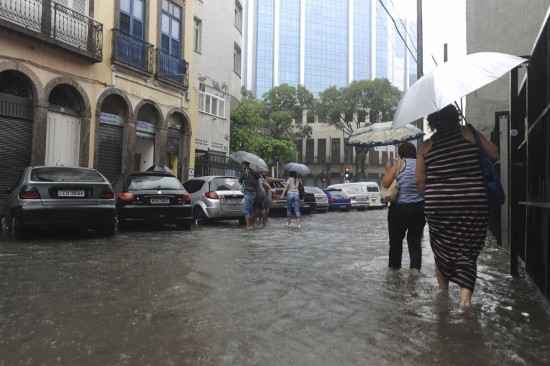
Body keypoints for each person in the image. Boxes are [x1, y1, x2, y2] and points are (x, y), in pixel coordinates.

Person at [416, 104, 498, 307]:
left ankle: (442, 294)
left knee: (441, 247)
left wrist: (435, 195)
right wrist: (474, 132)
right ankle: (465, 301)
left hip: (438, 205)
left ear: (432, 122)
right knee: (467, 251)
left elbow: (419, 183)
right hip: (472, 202)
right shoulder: (469, 134)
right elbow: (494, 154)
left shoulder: (426, 147)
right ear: (455, 117)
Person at [382, 142, 425, 272]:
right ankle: (415, 273)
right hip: (419, 209)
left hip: (399, 209)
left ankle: (394, 275)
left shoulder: (399, 164)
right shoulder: (421, 164)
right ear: (414, 152)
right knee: (415, 243)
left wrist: (390, 170)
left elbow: (385, 183)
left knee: (395, 243)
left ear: (400, 154)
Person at [239, 162, 260, 229]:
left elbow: (240, 181)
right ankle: (252, 225)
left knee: (247, 211)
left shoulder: (245, 172)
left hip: (248, 192)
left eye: (243, 165)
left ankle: (248, 226)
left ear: (245, 165)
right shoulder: (254, 172)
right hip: (255, 193)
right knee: (252, 210)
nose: (242, 166)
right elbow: (258, 177)